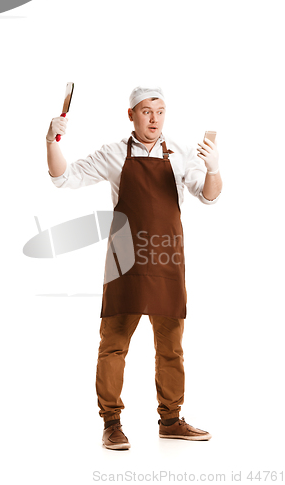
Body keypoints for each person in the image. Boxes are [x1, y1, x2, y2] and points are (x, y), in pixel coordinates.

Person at [46, 86, 222, 450]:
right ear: (131, 115)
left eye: (160, 111)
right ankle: (111, 423)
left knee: (171, 347)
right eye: (146, 111)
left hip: (168, 258)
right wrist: (52, 142)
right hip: (124, 259)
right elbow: (64, 176)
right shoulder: (113, 154)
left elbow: (209, 195)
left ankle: (170, 420)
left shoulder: (180, 154)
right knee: (113, 346)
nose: (154, 118)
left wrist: (214, 169)